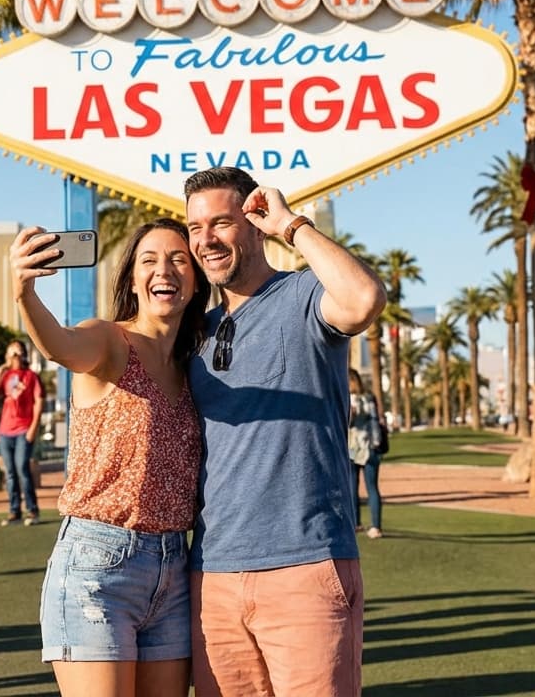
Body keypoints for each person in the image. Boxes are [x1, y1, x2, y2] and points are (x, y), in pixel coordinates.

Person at [183, 167, 386, 697]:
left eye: (222, 223)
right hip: (212, 577)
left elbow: (363, 299)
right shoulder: (193, 332)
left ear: (253, 223)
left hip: (306, 567)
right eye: (194, 227)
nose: (206, 239)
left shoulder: (302, 296)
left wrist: (292, 225)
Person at [9, 218, 208, 697]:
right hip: (99, 567)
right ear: (133, 280)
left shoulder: (193, 365)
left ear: (197, 278)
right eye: (150, 260)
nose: (166, 269)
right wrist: (24, 294)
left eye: (180, 259)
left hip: (175, 568)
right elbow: (61, 345)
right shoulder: (108, 341)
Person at [0, 340, 43, 526]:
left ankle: (32, 511)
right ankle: (14, 511)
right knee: (10, 473)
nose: (15, 357)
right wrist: (1, 371)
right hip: (5, 432)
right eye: (11, 353)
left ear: (24, 355)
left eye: (18, 353)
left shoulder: (31, 376)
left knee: (22, 469)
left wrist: (34, 427)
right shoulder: (6, 375)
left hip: (23, 430)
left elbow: (39, 402)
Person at [347, 369, 384, 541]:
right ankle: (367, 525)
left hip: (359, 447)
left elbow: (351, 423)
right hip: (363, 447)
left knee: (362, 487)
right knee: (364, 487)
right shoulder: (368, 397)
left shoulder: (353, 399)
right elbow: (375, 421)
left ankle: (366, 525)